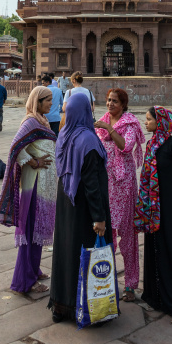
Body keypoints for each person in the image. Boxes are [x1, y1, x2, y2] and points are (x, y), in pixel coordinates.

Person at [48, 92, 111, 323]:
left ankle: (60, 305)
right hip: (85, 210)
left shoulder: (64, 135)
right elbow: (92, 186)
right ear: (87, 111)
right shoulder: (89, 141)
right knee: (85, 255)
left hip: (66, 206)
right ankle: (86, 306)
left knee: (66, 253)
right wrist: (99, 218)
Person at [0, 86, 57, 294]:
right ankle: (24, 281)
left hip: (45, 186)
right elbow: (15, 147)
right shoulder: (31, 122)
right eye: (47, 100)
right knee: (30, 231)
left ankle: (34, 268)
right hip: (35, 186)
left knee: (37, 230)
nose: (51, 103)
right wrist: (33, 161)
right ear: (37, 102)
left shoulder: (42, 120)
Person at [135, 106, 172, 325]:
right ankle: (155, 296)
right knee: (154, 248)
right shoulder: (151, 145)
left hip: (169, 207)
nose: (146, 122)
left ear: (160, 122)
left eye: (149, 119)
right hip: (152, 208)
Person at [94, 89, 144, 303]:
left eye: (114, 101)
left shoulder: (130, 124)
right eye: (108, 100)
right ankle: (106, 281)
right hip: (106, 182)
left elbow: (127, 146)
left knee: (128, 235)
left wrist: (109, 129)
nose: (109, 103)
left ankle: (131, 284)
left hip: (123, 184)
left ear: (123, 104)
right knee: (107, 235)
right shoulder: (102, 120)